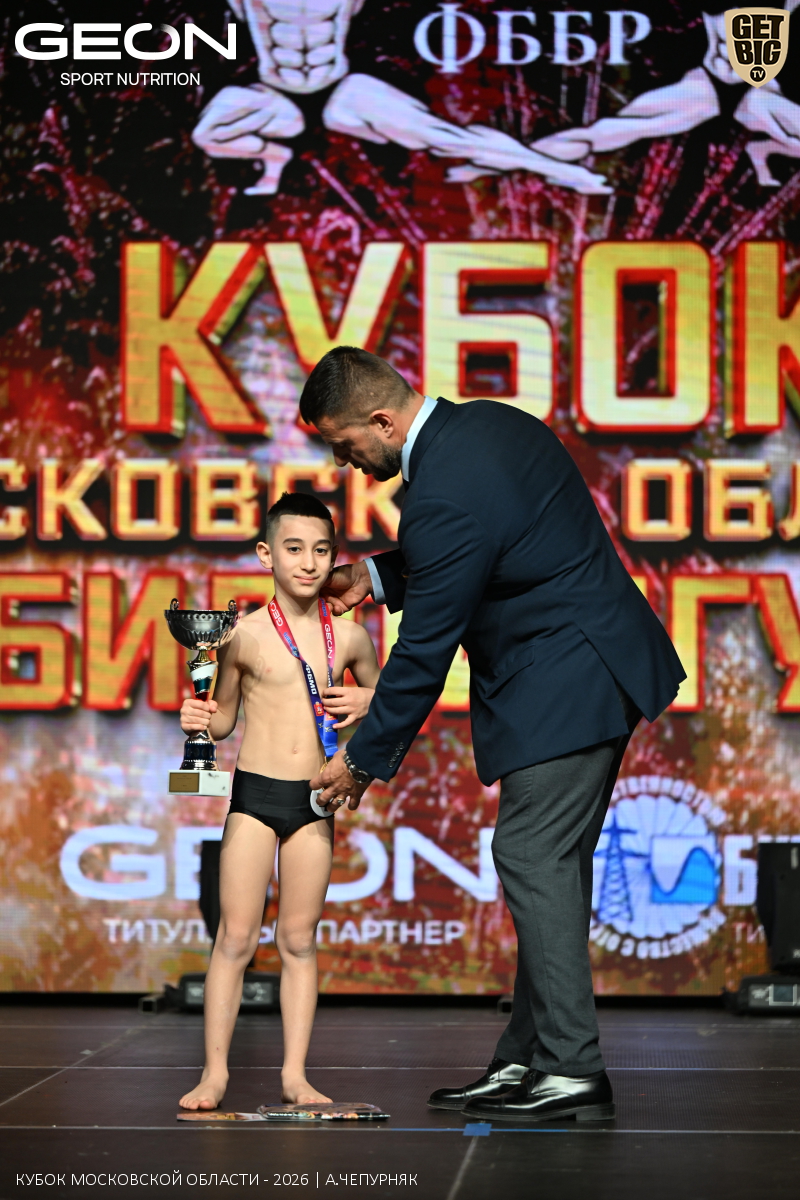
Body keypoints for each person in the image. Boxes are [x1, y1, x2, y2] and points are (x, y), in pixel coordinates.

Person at [300, 347, 685, 1124]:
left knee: (531, 855)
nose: (345, 463)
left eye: (346, 445)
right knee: (549, 863)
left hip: (567, 681)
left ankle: (571, 1070)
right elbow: (491, 542)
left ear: (382, 421)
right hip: (588, 668)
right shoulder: (484, 428)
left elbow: (424, 649)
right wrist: (375, 577)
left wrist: (362, 762)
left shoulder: (441, 492)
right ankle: (527, 1058)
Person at [178, 491, 380, 1112]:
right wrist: (198, 718)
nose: (308, 562)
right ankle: (214, 1074)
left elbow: (390, 716)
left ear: (334, 557)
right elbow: (222, 722)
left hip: (314, 800)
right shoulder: (240, 635)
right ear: (267, 554)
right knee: (235, 938)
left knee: (298, 939)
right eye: (294, 549)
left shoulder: (351, 638)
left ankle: (295, 1076)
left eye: (321, 550)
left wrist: (369, 704)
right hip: (255, 796)